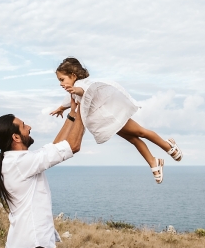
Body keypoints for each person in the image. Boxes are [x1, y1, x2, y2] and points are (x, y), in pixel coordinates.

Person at [0, 96, 84, 248]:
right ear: (16, 137)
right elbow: (73, 146)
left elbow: (55, 147)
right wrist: (86, 111)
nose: (29, 127)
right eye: (24, 126)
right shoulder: (22, 163)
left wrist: (72, 115)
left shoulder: (17, 161)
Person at [50, 57, 182, 184]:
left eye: (62, 79)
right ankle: (154, 162)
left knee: (141, 132)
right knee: (134, 139)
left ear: (73, 76)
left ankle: (168, 146)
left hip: (112, 116)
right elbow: (69, 100)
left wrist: (75, 90)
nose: (61, 84)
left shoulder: (81, 84)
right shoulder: (72, 91)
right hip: (107, 122)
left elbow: (84, 90)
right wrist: (61, 108)